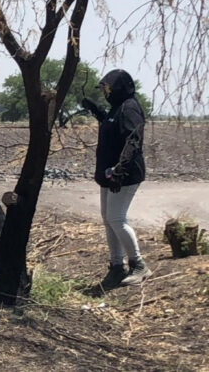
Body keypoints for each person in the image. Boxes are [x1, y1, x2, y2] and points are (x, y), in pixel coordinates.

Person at [81, 69, 151, 288]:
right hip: (109, 174)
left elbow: (132, 140)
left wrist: (119, 170)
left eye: (106, 88)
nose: (104, 92)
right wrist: (98, 112)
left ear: (117, 87)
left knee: (116, 218)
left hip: (124, 175)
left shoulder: (130, 108)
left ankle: (139, 265)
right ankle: (116, 267)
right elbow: (112, 126)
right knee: (108, 219)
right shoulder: (117, 108)